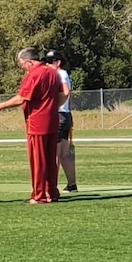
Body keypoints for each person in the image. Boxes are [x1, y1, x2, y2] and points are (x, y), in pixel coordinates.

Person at [0, 47, 62, 204]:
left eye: (22, 64)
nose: (22, 67)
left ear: (29, 61)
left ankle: (39, 195)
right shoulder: (53, 72)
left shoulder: (34, 74)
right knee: (50, 160)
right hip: (53, 121)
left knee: (38, 161)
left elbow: (21, 98)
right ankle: (52, 192)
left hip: (36, 123)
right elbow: (63, 94)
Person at [44, 50, 77, 192]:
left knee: (54, 154)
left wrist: (55, 106)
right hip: (66, 115)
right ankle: (72, 185)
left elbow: (66, 91)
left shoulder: (59, 73)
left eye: (50, 62)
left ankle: (52, 187)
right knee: (64, 154)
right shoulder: (63, 73)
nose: (47, 64)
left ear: (57, 63)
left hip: (59, 115)